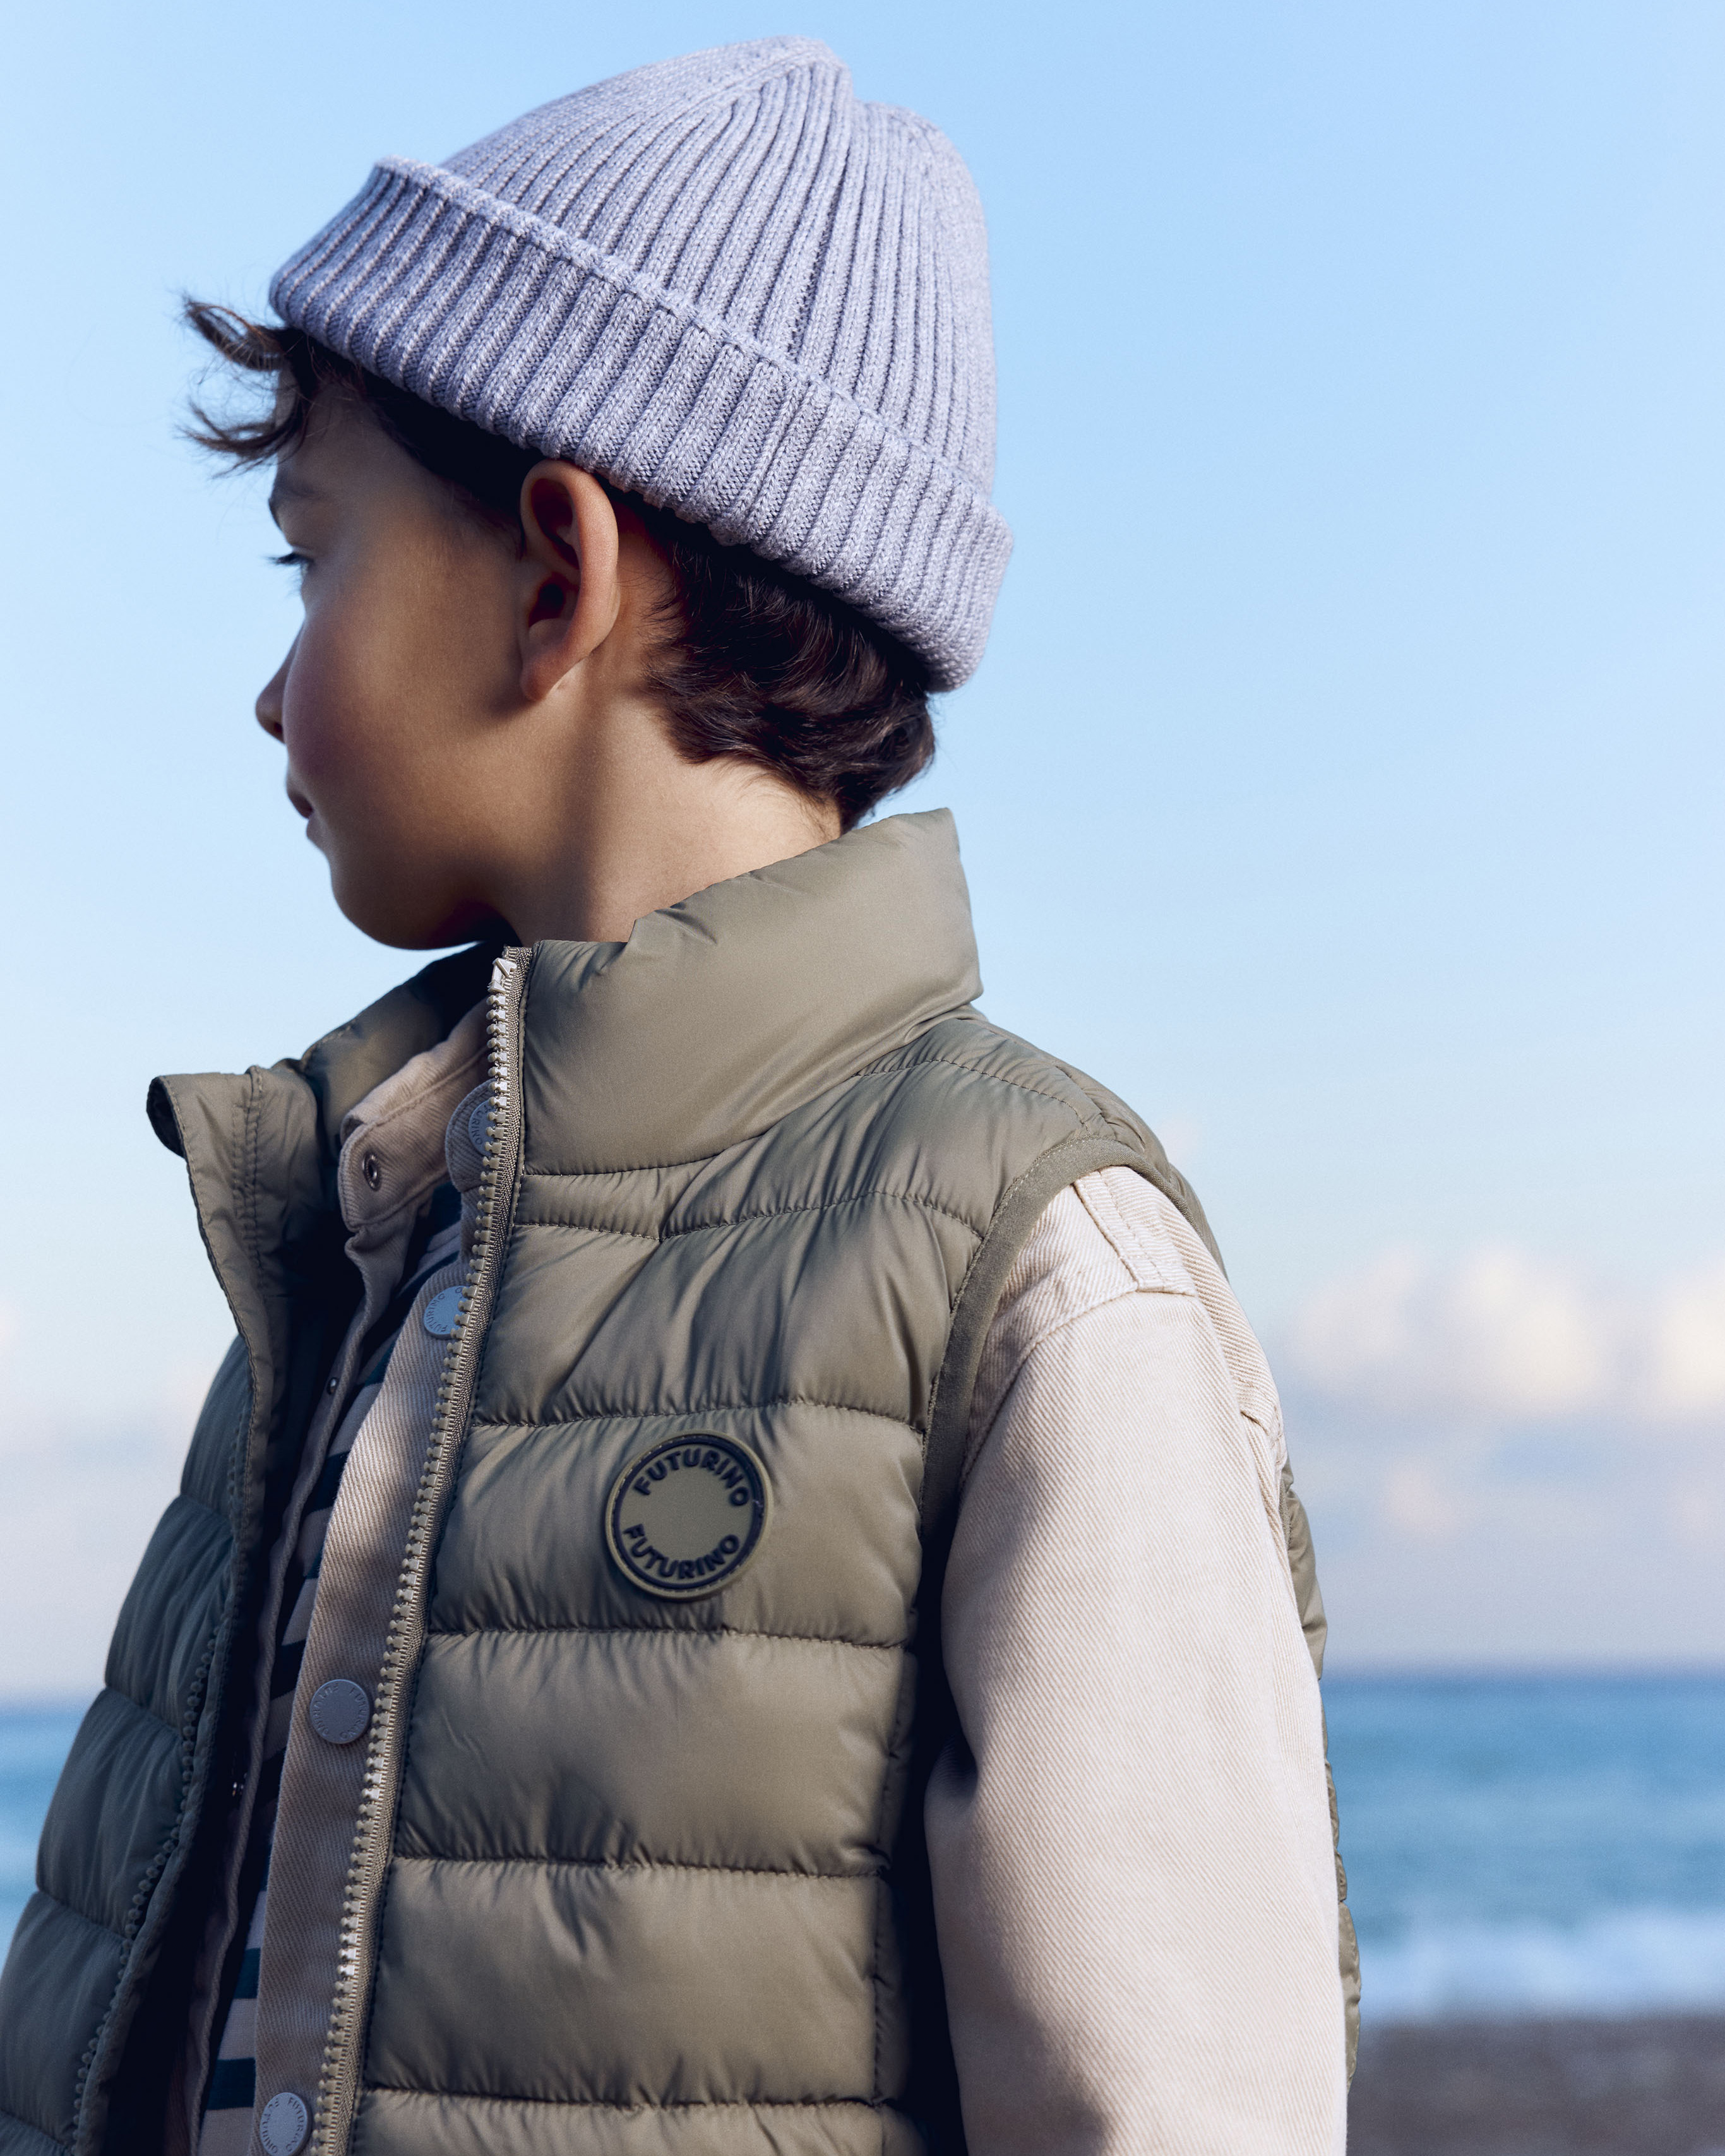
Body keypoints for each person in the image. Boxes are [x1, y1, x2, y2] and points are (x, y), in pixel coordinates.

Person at [0, 37, 1356, 2156]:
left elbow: (1174, 2107)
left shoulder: (1034, 1265)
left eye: (310, 558)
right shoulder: (347, 1225)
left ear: (555, 575)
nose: (270, 688)